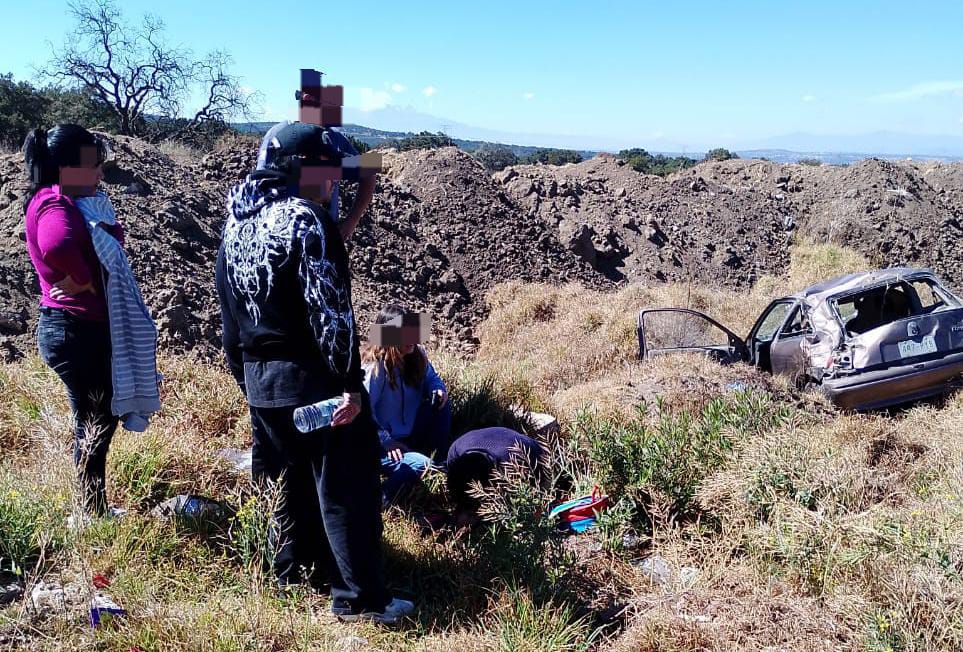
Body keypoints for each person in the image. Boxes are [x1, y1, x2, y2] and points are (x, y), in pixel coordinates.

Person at [215, 120, 412, 624]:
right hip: (316, 382)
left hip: (263, 382)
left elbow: (229, 317)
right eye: (327, 174)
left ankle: (291, 575)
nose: (333, 185)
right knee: (347, 488)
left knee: (284, 483)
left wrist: (248, 381)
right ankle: (360, 601)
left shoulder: (238, 219)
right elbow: (331, 315)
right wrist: (349, 387)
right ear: (301, 171)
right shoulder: (307, 221)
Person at [22, 124, 153, 517]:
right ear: (65, 168)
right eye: (92, 166)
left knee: (96, 419)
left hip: (78, 329)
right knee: (95, 422)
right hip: (75, 332)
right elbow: (57, 243)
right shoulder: (54, 205)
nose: (99, 174)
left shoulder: (66, 199)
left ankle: (92, 507)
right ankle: (90, 512)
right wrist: (80, 279)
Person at [362, 304, 452, 504]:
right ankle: (378, 501)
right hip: (381, 446)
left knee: (443, 403)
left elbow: (432, 379)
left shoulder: (416, 356)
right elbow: (363, 411)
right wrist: (385, 441)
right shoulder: (374, 368)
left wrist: (437, 389)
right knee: (421, 465)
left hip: (409, 433)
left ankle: (441, 458)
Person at [446, 427, 543, 526]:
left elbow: (541, 489)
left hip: (537, 455)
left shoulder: (514, 466)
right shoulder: (455, 452)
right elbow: (456, 485)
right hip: (490, 439)